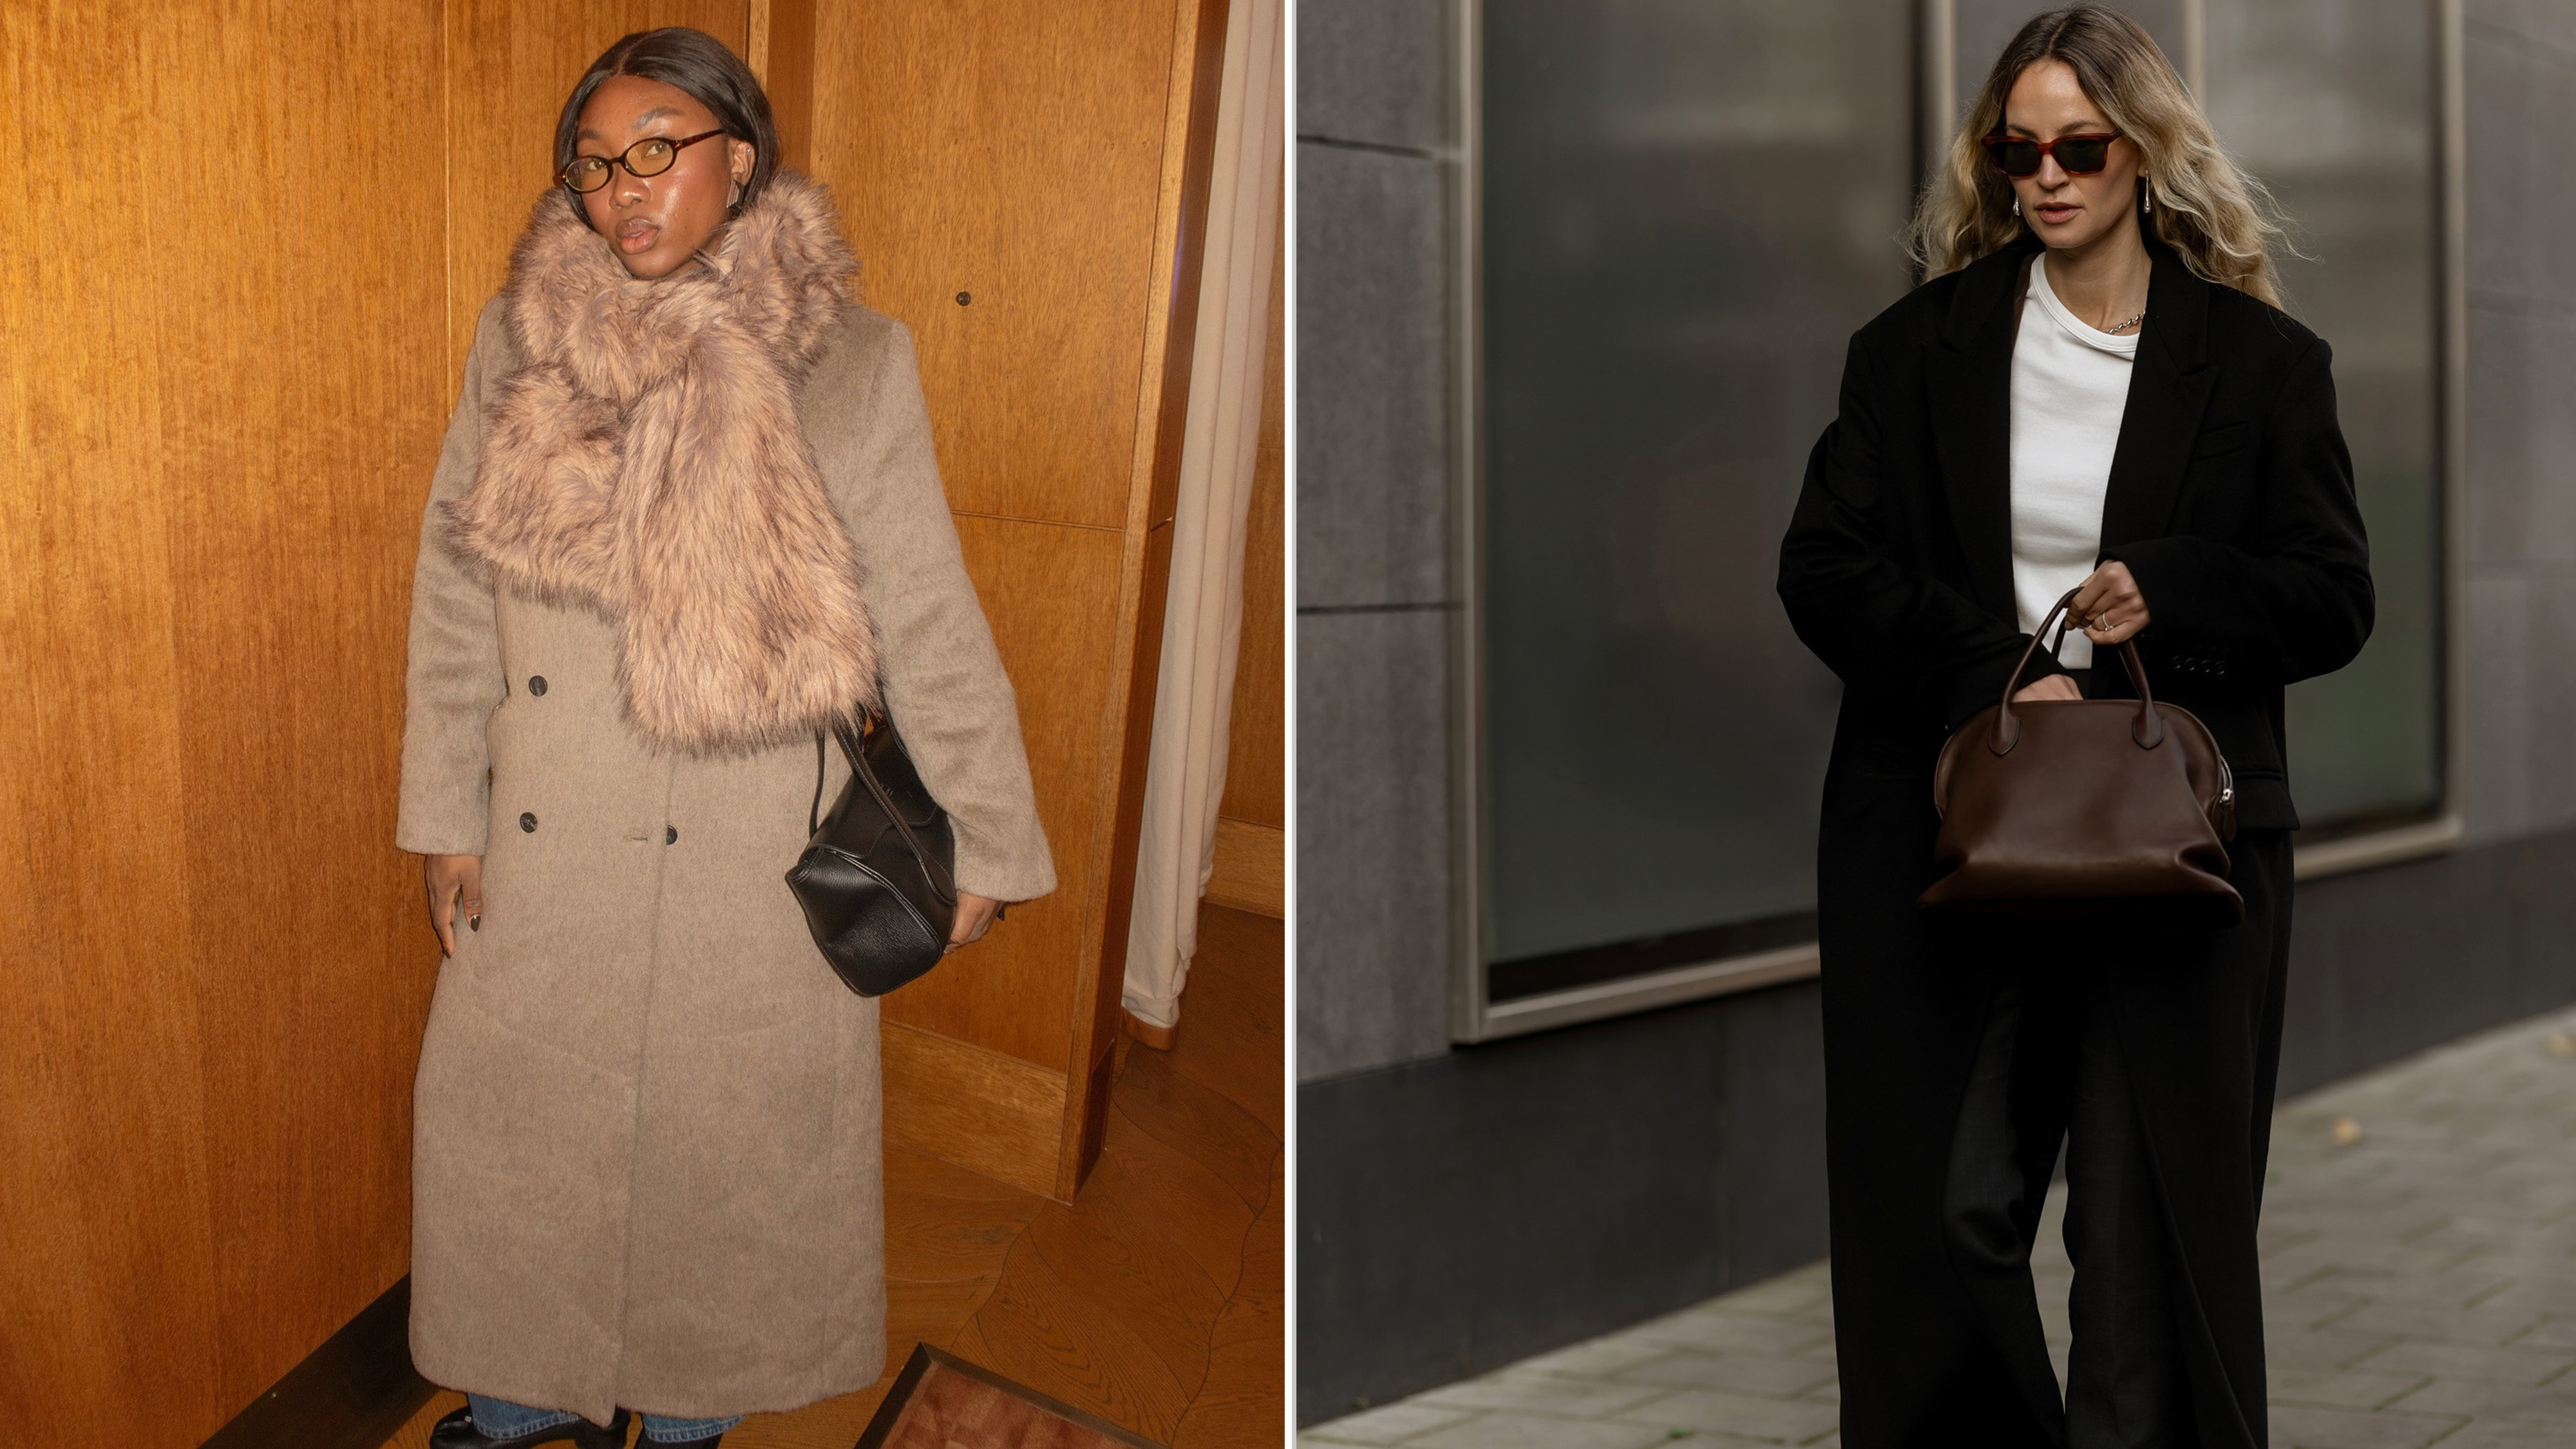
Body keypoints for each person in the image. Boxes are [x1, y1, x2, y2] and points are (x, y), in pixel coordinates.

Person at [395, 28, 1055, 1449]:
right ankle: (518, 1422)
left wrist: (989, 833)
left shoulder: (855, 364)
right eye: (592, 165)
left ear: (737, 160)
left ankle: (685, 1429)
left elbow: (925, 612)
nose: (621, 190)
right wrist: (447, 812)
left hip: (749, 857)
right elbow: (455, 586)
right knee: (513, 1151)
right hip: (552, 836)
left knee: (730, 1167)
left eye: (656, 151)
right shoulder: (516, 341)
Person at [1775, 7, 2372, 1446]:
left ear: (2140, 155)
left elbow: (2331, 596)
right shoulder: (1913, 350)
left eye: (2078, 146)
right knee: (1942, 1206)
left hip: (2174, 847)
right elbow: (1824, 566)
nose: (2046, 175)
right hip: (1948, 832)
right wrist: (2002, 670)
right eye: (2016, 147)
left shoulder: (2258, 366)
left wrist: (2163, 591)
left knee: (2144, 1224)